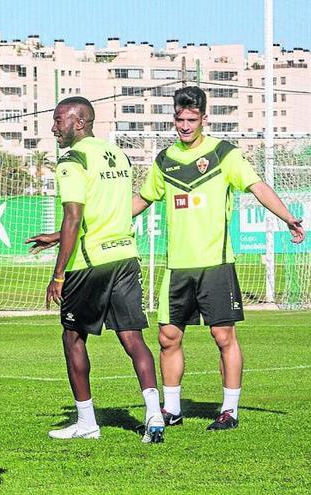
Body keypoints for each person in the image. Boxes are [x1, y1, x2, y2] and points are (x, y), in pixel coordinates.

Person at [133, 86, 304, 430]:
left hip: (216, 264)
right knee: (168, 337)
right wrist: (107, 223)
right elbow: (143, 198)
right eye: (179, 120)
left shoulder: (225, 154)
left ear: (203, 119)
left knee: (223, 336)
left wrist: (288, 218)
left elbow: (257, 187)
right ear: (173, 119)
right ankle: (173, 409)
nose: (184, 126)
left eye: (191, 120)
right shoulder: (164, 160)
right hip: (177, 266)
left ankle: (229, 410)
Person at [26, 97, 165, 443]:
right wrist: (57, 237)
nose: (54, 127)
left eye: (59, 120)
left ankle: (87, 422)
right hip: (125, 257)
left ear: (80, 122)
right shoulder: (116, 155)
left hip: (90, 264)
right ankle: (154, 415)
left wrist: (58, 274)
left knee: (72, 337)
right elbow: (105, 212)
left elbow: (74, 216)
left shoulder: (71, 160)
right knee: (133, 338)